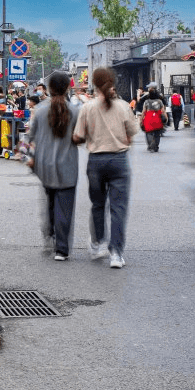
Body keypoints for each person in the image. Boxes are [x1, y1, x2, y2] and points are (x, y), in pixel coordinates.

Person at [72, 66, 138, 269]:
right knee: (118, 208)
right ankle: (116, 253)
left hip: (96, 161)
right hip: (119, 160)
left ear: (94, 84)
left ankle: (98, 243)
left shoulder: (88, 108)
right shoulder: (123, 106)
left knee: (98, 204)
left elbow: (78, 136)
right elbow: (131, 134)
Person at [27, 71, 79, 261]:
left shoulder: (40, 110)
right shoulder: (75, 111)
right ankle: (61, 249)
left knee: (49, 201)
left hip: (44, 165)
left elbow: (29, 137)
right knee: (64, 207)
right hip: (68, 165)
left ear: (48, 88)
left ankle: (49, 234)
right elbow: (80, 137)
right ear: (67, 88)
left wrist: (26, 157)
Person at [138, 84, 167, 152]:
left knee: (148, 132)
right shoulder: (159, 101)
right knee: (157, 133)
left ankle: (151, 145)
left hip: (149, 119)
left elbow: (143, 112)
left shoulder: (146, 102)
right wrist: (166, 118)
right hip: (158, 119)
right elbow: (163, 111)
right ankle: (156, 145)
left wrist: (141, 120)